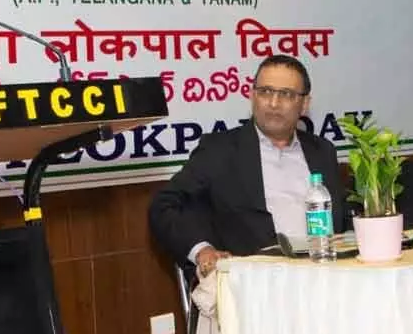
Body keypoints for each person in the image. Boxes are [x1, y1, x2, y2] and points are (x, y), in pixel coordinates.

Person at [148, 54, 347, 276]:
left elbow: (343, 221)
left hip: (326, 274)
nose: (273, 103)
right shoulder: (220, 150)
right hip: (253, 283)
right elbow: (163, 206)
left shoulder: (322, 151)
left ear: (304, 104)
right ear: (252, 97)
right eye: (265, 92)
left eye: (286, 94)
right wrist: (202, 250)